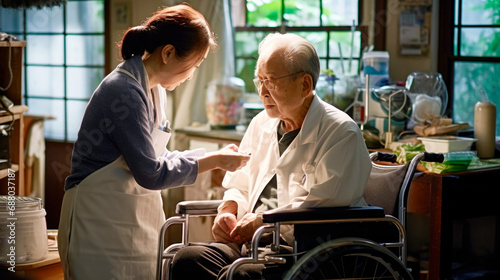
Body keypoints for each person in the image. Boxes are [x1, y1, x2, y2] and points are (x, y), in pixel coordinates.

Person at [57, 4, 250, 280]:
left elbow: (159, 155)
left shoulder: (154, 90)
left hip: (129, 219)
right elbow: (151, 172)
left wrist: (211, 154)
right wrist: (215, 161)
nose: (192, 74)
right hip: (97, 218)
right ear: (169, 53)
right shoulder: (123, 91)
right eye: (194, 65)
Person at [170, 33, 372, 280]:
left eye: (272, 81)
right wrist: (229, 209)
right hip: (252, 245)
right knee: (187, 260)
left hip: (304, 253)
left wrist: (263, 221)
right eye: (260, 80)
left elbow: (323, 207)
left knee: (239, 275)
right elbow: (240, 183)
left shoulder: (341, 133)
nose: (263, 91)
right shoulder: (261, 123)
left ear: (305, 85)